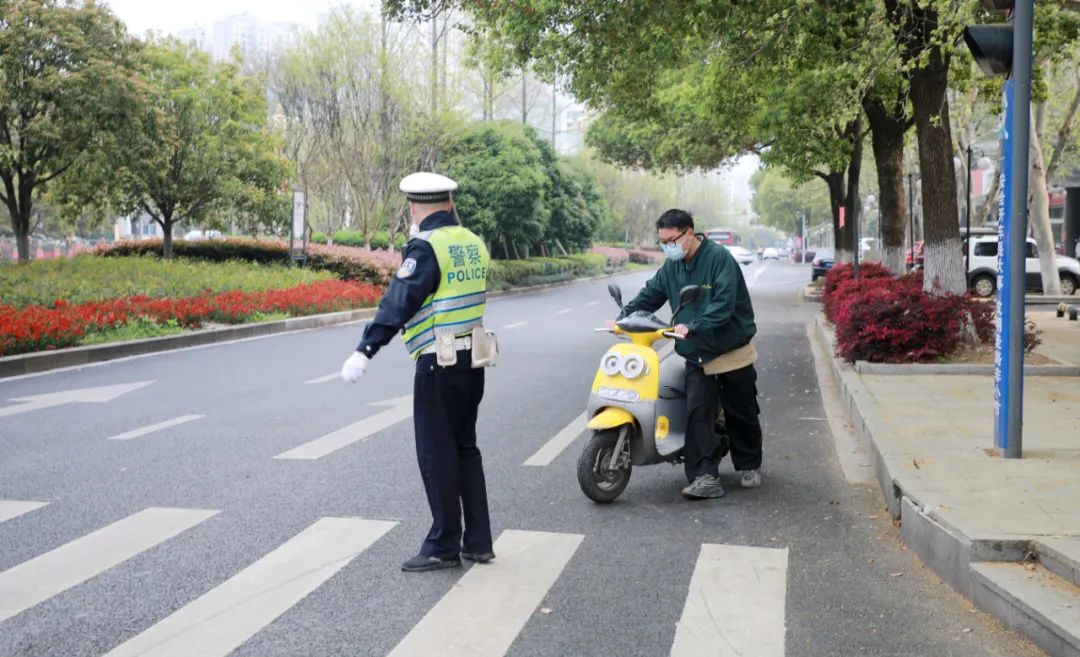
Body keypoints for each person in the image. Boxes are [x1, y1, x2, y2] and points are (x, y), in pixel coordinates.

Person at [340, 172, 494, 572]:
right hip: (473, 359)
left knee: (436, 452)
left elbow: (400, 301)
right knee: (465, 448)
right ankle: (478, 541)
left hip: (437, 362)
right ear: (449, 203)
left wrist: (366, 349)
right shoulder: (473, 243)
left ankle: (443, 545)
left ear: (413, 206)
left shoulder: (425, 248)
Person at [617, 209, 763, 499]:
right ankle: (705, 477)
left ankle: (749, 464)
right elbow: (652, 294)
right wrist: (624, 317)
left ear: (689, 234)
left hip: (730, 347)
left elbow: (723, 305)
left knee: (740, 410)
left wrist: (693, 326)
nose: (667, 246)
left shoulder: (719, 260)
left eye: (671, 240)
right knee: (697, 411)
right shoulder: (672, 268)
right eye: (662, 241)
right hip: (696, 351)